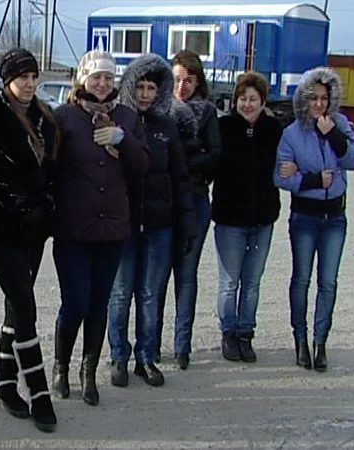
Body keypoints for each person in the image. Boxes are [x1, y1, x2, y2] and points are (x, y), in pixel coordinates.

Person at [51, 50, 149, 406]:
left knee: (98, 303)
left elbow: (143, 165)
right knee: (75, 303)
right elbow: (50, 167)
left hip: (113, 229)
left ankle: (88, 371)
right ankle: (61, 366)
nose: (103, 84)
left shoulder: (127, 117)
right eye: (96, 77)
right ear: (83, 79)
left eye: (109, 78)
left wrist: (123, 140)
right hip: (73, 229)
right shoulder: (64, 117)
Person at [0, 48, 58, 432]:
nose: (29, 84)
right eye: (22, 77)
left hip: (34, 229)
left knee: (16, 306)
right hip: (2, 227)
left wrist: (46, 203)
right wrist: (17, 202)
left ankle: (6, 385)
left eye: (33, 76)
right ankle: (39, 393)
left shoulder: (43, 115)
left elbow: (50, 169)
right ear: (7, 80)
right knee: (25, 306)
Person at [107, 53, 195, 387]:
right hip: (124, 224)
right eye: (140, 87)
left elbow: (180, 177)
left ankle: (146, 357)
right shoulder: (117, 122)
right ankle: (118, 356)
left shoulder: (166, 126)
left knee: (149, 294)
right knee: (120, 293)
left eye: (151, 88)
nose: (145, 94)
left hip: (159, 225)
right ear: (130, 87)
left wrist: (186, 222)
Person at [274, 66, 354, 372]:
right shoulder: (292, 133)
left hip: (335, 217)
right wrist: (310, 179)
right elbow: (280, 176)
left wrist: (333, 134)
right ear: (304, 99)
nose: (319, 104)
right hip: (305, 218)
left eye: (324, 98)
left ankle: (320, 341)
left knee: (328, 281)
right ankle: (300, 339)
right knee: (301, 278)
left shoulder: (340, 124)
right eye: (313, 98)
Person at [212, 71, 283, 363]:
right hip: (230, 219)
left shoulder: (273, 130)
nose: (247, 104)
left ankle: (245, 334)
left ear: (263, 102)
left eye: (253, 99)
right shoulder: (223, 128)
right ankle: (228, 333)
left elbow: (286, 163)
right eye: (242, 98)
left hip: (262, 218)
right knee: (229, 283)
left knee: (252, 283)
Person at [156, 49, 221, 370]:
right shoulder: (158, 109)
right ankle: (150, 345)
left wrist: (178, 162)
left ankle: (182, 346)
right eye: (177, 79)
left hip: (195, 200)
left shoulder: (206, 112)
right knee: (157, 277)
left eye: (189, 80)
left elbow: (215, 156)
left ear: (198, 82)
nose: (182, 87)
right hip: (163, 202)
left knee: (185, 274)